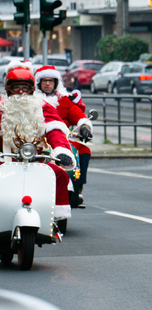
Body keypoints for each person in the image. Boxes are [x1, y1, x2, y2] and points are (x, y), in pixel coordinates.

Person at [0, 61, 76, 223]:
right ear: (8, 90)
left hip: (36, 159)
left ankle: (55, 219)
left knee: (60, 175)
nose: (21, 92)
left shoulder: (43, 107)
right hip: (4, 159)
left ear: (32, 89)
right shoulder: (2, 107)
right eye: (15, 88)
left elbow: (55, 131)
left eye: (25, 88)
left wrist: (62, 151)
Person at [35, 65, 93, 208]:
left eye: (50, 81)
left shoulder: (64, 101)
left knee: (84, 150)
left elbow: (79, 116)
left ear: (56, 83)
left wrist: (85, 127)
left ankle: (78, 186)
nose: (47, 84)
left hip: (63, 140)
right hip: (37, 141)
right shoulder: (33, 101)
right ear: (38, 83)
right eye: (44, 81)